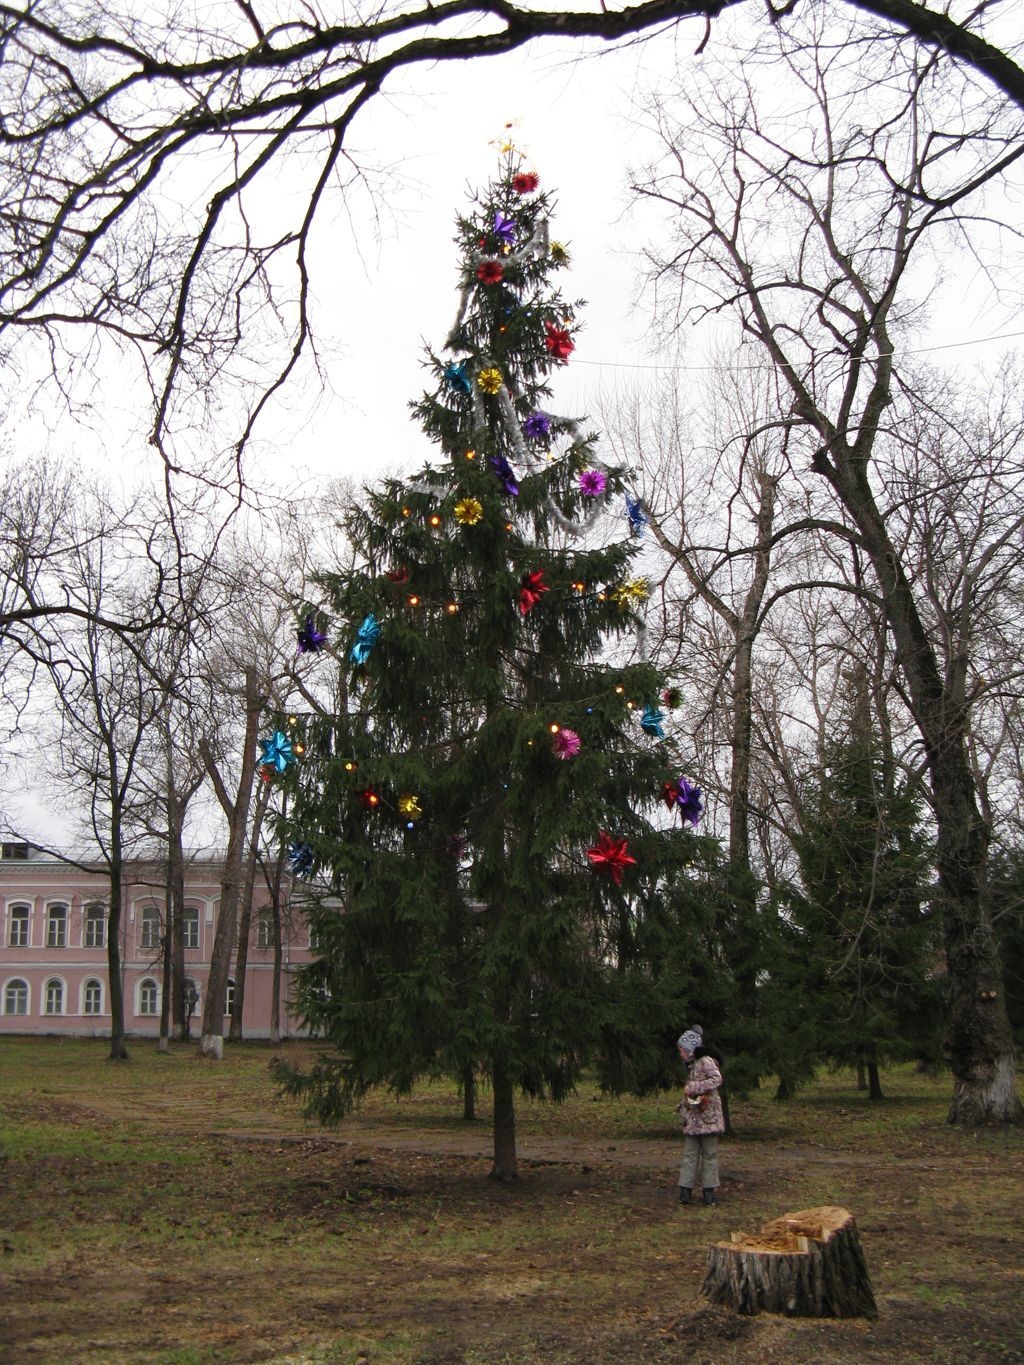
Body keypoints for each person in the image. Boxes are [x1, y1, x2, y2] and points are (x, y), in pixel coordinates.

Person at [675, 1027, 725, 1207]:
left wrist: (694, 1088)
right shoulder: (690, 1065)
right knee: (690, 1154)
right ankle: (685, 1190)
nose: (680, 1053)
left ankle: (709, 1191)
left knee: (709, 1154)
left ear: (689, 1048)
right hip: (693, 1119)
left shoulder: (705, 1061)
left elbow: (716, 1079)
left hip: (708, 1117)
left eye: (681, 1050)